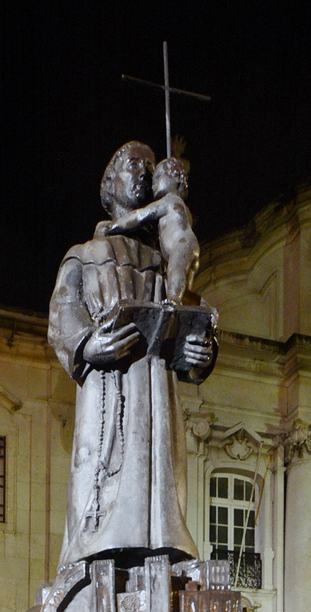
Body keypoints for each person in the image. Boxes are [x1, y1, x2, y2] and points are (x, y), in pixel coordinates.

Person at [48, 142, 215, 567]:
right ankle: (97, 551)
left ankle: (162, 546)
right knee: (106, 469)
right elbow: (63, 316)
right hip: (108, 389)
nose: (142, 171)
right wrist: (88, 344)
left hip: (158, 388)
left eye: (148, 165)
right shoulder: (84, 255)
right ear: (109, 184)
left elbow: (183, 322)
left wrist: (196, 351)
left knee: (159, 469)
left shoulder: (164, 262)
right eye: (131, 164)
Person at [106, 156, 199, 305]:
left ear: (176, 178)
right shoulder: (182, 207)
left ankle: (173, 301)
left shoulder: (169, 200)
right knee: (186, 291)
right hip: (190, 246)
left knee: (176, 271)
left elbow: (141, 216)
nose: (153, 183)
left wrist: (115, 225)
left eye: (159, 176)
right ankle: (196, 306)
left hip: (181, 244)